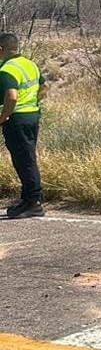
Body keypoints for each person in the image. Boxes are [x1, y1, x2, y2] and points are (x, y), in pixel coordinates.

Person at [0, 33, 44, 218]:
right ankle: (29, 199)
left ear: (1, 49)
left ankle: (33, 202)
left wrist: (3, 117)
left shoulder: (7, 69)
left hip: (17, 119)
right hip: (32, 116)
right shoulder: (30, 64)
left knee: (24, 161)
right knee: (28, 158)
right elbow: (44, 89)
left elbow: (11, 96)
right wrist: (33, 103)